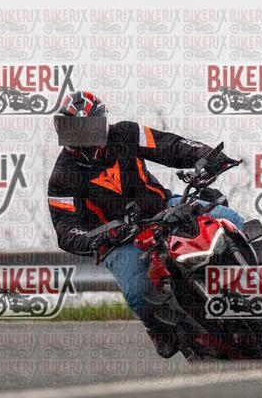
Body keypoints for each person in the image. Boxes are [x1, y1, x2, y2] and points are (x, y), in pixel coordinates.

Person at [47, 91, 245, 358]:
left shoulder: (126, 133)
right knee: (138, 291)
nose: (82, 137)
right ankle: (160, 329)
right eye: (73, 130)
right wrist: (98, 237)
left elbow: (168, 145)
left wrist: (206, 156)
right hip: (120, 240)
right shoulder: (61, 176)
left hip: (164, 207)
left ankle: (254, 285)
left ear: (102, 123)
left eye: (88, 128)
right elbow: (65, 227)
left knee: (230, 219)